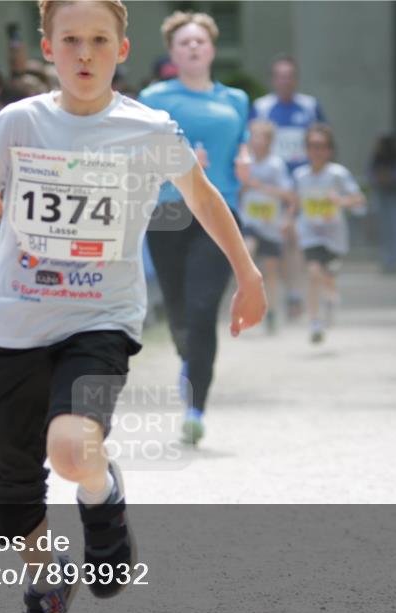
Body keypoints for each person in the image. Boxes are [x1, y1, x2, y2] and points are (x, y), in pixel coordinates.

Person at [0, 0, 265, 613]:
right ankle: (44, 587)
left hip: (100, 320)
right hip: (12, 323)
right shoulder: (17, 121)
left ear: (121, 50)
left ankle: (101, 493)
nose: (83, 53)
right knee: (11, 483)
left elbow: (203, 196)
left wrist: (248, 272)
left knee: (70, 447)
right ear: (47, 49)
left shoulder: (149, 130)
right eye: (70, 40)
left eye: (98, 40)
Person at [138, 10, 251, 445]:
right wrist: (176, 168)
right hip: (168, 213)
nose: (193, 47)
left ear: (212, 49)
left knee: (204, 311)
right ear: (172, 52)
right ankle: (190, 358)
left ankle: (196, 407)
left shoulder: (236, 100)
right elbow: (141, 158)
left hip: (218, 211)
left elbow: (240, 148)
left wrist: (245, 163)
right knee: (181, 312)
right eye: (184, 42)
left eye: (199, 41)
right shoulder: (153, 96)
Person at [251, 56, 326, 323]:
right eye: (280, 76)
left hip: (300, 187)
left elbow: (322, 142)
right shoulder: (261, 107)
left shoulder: (309, 106)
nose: (285, 81)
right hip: (270, 188)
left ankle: (294, 294)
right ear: (274, 79)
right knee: (273, 241)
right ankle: (273, 296)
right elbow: (250, 142)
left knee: (294, 239)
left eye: (289, 75)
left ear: (296, 78)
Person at [293, 124, 366, 344]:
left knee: (328, 278)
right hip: (310, 234)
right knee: (314, 272)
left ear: (330, 150)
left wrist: (341, 201)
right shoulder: (300, 176)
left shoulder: (338, 174)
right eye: (313, 146)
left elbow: (359, 200)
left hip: (334, 237)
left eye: (322, 146)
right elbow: (294, 203)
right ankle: (315, 322)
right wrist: (287, 221)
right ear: (306, 149)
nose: (317, 151)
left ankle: (331, 300)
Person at [240, 119, 296, 333]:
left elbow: (289, 195)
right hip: (250, 221)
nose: (256, 140)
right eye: (253, 135)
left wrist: (261, 187)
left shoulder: (276, 164)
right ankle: (245, 298)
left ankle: (271, 311)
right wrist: (244, 187)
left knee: (271, 271)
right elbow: (236, 190)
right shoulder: (244, 162)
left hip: (271, 225)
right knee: (248, 250)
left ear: (270, 141)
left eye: (261, 136)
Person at [368, 134, 396, 274]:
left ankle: (395, 261)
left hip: (395, 198)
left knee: (395, 229)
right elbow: (370, 174)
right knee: (384, 231)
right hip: (381, 197)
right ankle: (385, 260)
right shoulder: (376, 158)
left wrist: (391, 178)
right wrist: (379, 178)